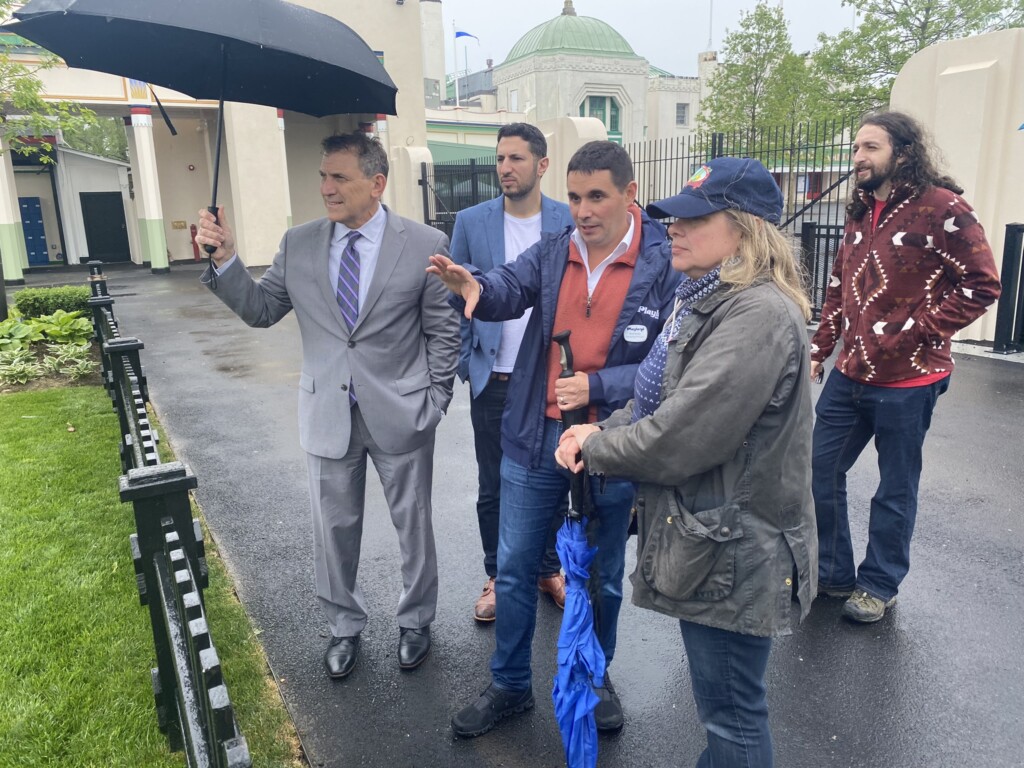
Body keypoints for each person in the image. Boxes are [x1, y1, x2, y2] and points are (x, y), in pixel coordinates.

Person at [554, 156, 817, 767]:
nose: (672, 226)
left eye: (695, 217)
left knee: (732, 719)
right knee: (724, 713)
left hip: (735, 552)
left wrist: (594, 447)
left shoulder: (755, 315)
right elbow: (654, 394)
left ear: (746, 229)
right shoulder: (706, 298)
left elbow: (681, 436)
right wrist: (601, 426)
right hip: (714, 541)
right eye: (672, 214)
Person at [429, 140, 680, 737]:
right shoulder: (552, 251)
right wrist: (476, 289)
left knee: (600, 574)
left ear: (630, 193)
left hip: (610, 441)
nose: (583, 210)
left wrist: (597, 383)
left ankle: (594, 679)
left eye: (597, 196)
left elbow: (672, 365)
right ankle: (510, 685)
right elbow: (506, 289)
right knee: (515, 567)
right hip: (534, 435)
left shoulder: (666, 264)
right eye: (573, 197)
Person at [195, 132, 459, 679]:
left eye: (339, 177)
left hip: (403, 412)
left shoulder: (423, 242)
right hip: (327, 414)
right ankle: (343, 626)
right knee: (333, 530)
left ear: (376, 182)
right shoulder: (300, 243)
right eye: (323, 176)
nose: (326, 188)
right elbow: (262, 310)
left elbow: (443, 330)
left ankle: (416, 620)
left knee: (414, 524)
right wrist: (226, 259)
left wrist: (435, 400)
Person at [810, 111, 1001, 623]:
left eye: (870, 147)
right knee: (819, 469)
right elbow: (837, 286)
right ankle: (832, 574)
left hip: (911, 380)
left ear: (904, 152)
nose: (859, 158)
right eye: (855, 149)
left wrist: (918, 330)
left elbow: (983, 284)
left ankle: (878, 584)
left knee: (895, 488)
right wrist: (819, 347)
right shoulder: (857, 212)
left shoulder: (944, 209)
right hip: (849, 374)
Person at [450, 122, 575, 623]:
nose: (505, 168)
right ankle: (499, 576)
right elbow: (452, 295)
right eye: (500, 158)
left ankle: (548, 568)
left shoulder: (568, 220)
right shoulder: (472, 222)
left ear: (541, 165)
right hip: (494, 380)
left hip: (551, 381)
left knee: (554, 479)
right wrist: (465, 360)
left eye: (516, 159)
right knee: (494, 485)